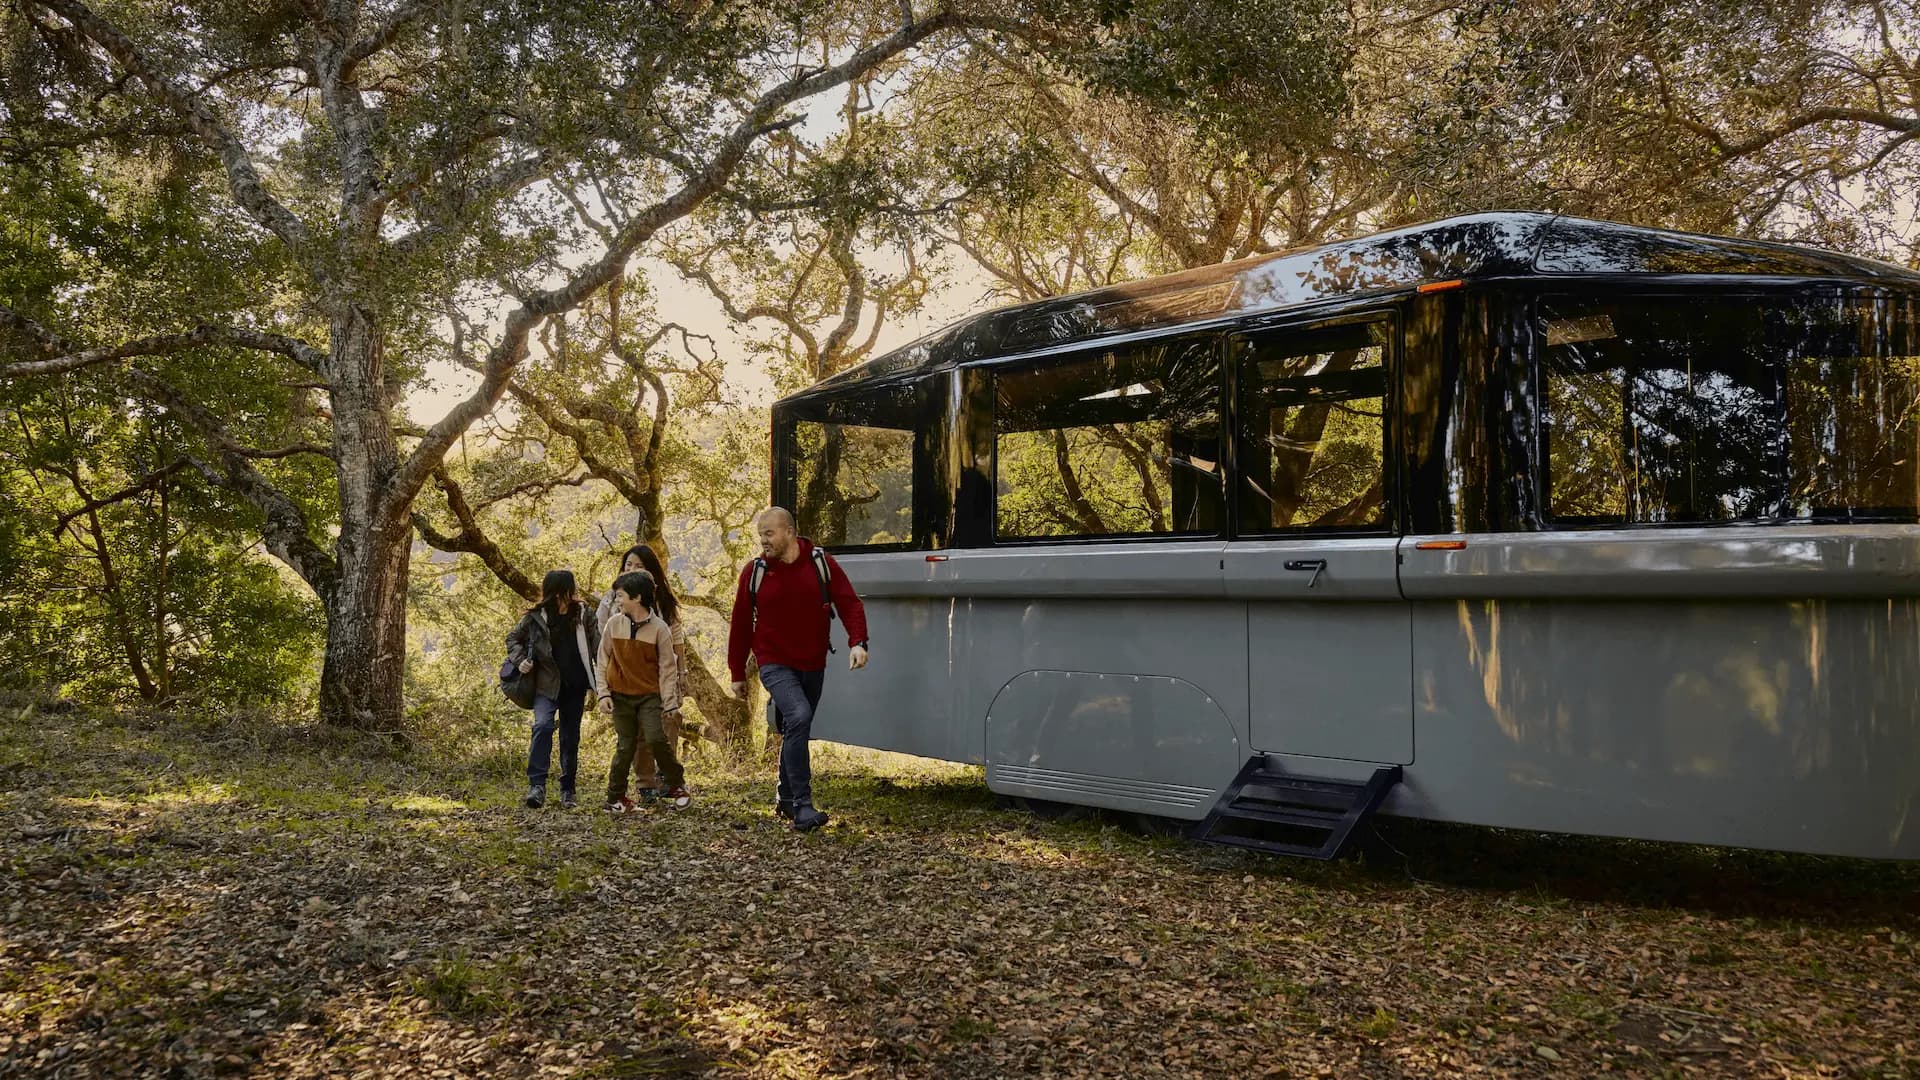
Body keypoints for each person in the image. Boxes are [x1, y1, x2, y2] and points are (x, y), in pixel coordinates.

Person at [726, 506, 868, 831]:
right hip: (774, 662)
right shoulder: (755, 572)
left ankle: (785, 799)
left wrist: (858, 641)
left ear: (789, 532)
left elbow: (848, 602)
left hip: (813, 662)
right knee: (799, 715)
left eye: (769, 533)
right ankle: (803, 806)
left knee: (796, 725)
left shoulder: (820, 563)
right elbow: (740, 625)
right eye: (761, 534)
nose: (763, 540)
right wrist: (737, 672)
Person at [597, 544, 688, 801]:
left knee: (663, 729)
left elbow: (676, 640)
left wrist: (682, 674)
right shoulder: (615, 600)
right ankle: (644, 784)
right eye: (629, 565)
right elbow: (603, 641)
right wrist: (604, 687)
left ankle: (667, 780)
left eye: (639, 565)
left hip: (656, 679)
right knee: (634, 737)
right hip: (624, 680)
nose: (632, 570)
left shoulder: (661, 603)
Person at [506, 569, 599, 810]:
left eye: (566, 593)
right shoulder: (536, 617)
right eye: (558, 595)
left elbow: (598, 646)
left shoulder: (585, 614)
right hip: (545, 685)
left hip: (575, 685)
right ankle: (537, 786)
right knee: (542, 726)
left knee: (570, 737)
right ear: (551, 594)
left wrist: (605, 680)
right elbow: (513, 639)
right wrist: (520, 661)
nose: (563, 599)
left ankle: (568, 791)